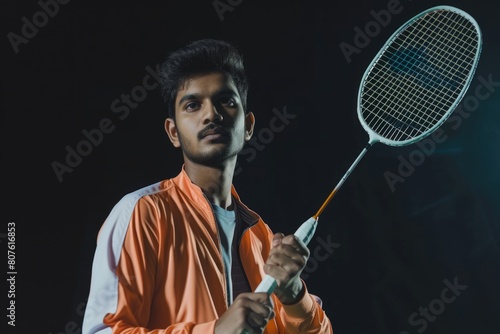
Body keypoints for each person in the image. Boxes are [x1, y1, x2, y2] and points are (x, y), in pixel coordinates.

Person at [82, 38, 333, 334]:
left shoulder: (261, 237)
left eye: (226, 100)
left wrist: (293, 295)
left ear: (249, 125)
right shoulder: (141, 214)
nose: (211, 114)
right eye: (192, 104)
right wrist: (213, 331)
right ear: (173, 132)